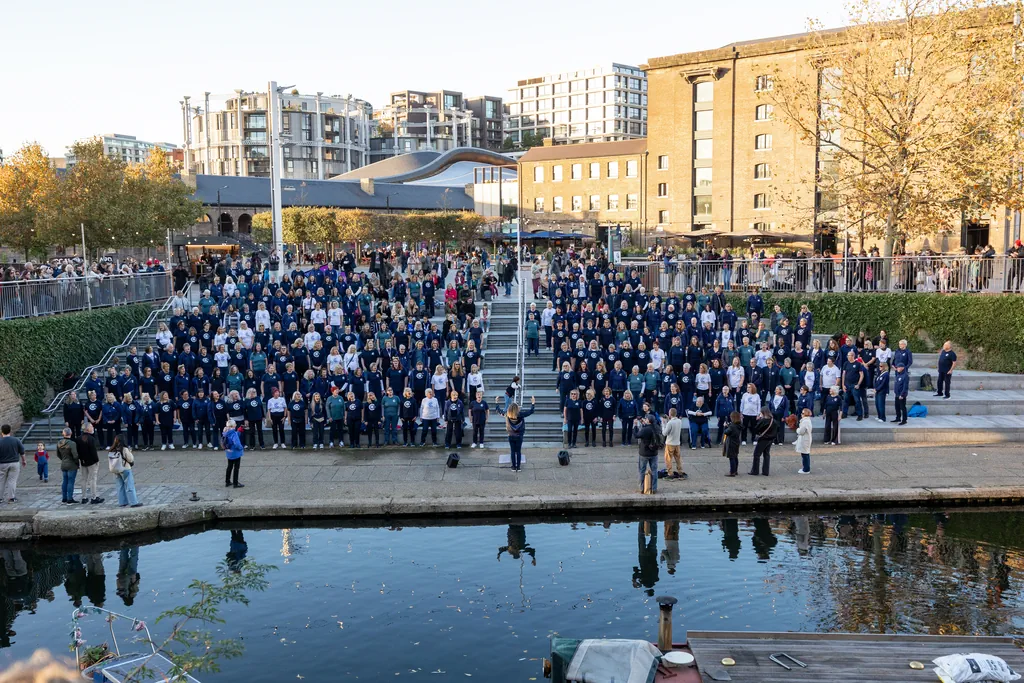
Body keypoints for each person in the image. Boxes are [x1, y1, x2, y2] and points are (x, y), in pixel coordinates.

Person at [497, 396, 536, 472]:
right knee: (518, 451)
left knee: (512, 451)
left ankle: (513, 467)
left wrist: (496, 403)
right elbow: (531, 411)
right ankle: (518, 467)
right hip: (519, 436)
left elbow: (499, 411)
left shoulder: (507, 415)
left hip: (511, 435)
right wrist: (533, 403)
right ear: (516, 409)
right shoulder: (520, 415)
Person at [107, 436, 142, 507]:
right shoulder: (124, 449)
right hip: (125, 468)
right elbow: (131, 459)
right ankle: (133, 502)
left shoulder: (111, 449)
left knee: (120, 486)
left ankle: (122, 502)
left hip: (115, 469)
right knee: (129, 485)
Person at [75, 424, 104, 505]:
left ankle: (84, 497)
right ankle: (94, 497)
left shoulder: (78, 439)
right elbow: (93, 451)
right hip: (91, 462)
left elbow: (77, 451)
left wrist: (80, 460)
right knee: (92, 479)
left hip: (83, 461)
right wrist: (97, 461)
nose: (92, 428)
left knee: (83, 479)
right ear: (88, 429)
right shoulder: (91, 439)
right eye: (91, 427)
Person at [634, 414, 660, 494]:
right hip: (654, 452)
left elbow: (636, 435)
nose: (645, 419)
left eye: (646, 419)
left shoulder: (645, 430)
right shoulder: (657, 428)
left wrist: (635, 426)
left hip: (644, 453)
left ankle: (642, 488)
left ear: (648, 420)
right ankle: (654, 488)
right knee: (654, 470)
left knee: (642, 470)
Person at [749, 406, 776, 476]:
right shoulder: (773, 420)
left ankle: (755, 471)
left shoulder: (763, 421)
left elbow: (755, 430)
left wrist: (758, 420)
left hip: (763, 439)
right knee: (766, 454)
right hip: (770, 439)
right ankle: (765, 471)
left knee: (756, 454)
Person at [57, 428, 80, 504]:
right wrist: (77, 463)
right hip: (71, 465)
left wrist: (63, 459)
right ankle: (70, 498)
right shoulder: (72, 443)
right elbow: (75, 455)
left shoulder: (59, 443)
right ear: (71, 433)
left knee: (65, 481)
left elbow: (58, 454)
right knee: (71, 482)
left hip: (63, 464)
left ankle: (64, 497)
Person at [662, 408, 685, 479]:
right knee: (678, 458)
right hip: (677, 443)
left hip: (670, 443)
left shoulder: (670, 423)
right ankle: (680, 472)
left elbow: (664, 433)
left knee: (668, 459)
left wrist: (663, 424)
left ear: (669, 414)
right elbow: (673, 424)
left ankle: (670, 473)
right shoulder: (679, 421)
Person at [223, 419, 244, 488]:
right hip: (236, 453)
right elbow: (237, 443)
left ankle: (227, 481)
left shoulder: (225, 433)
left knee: (229, 467)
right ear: (234, 425)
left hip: (229, 453)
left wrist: (239, 431)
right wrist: (241, 448)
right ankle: (235, 483)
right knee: (236, 468)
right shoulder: (234, 434)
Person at [722, 411, 742, 477]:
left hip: (731, 442)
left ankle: (732, 472)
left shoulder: (732, 426)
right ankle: (735, 470)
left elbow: (726, 432)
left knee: (731, 457)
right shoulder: (739, 424)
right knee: (735, 456)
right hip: (736, 441)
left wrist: (725, 426)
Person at [794, 408, 813, 474]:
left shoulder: (805, 421)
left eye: (802, 413)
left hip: (805, 439)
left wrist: (797, 430)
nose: (801, 414)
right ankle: (806, 468)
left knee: (805, 454)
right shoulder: (807, 421)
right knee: (805, 454)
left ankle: (806, 469)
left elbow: (801, 431)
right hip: (805, 439)